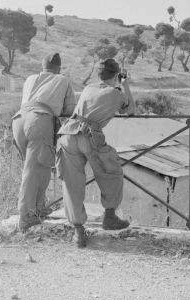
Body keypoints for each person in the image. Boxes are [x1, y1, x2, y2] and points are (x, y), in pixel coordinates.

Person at [56, 58, 135, 248]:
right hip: (89, 134)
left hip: (67, 133)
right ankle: (109, 216)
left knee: (72, 182)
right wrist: (126, 85)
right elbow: (130, 110)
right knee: (111, 171)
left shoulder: (88, 88)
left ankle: (78, 232)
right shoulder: (116, 93)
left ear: (98, 75)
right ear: (116, 76)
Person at [12, 52, 76, 232]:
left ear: (42, 66)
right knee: (33, 170)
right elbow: (70, 110)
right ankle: (25, 217)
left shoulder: (30, 79)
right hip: (39, 121)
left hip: (18, 120)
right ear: (59, 67)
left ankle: (38, 209)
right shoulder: (62, 80)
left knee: (40, 167)